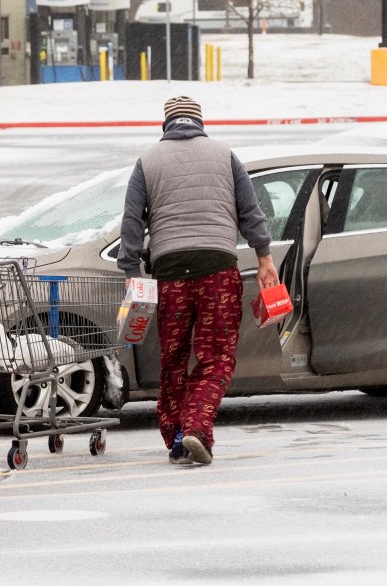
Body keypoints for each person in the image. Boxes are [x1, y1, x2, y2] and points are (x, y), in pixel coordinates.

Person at [117, 95, 279, 466]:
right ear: (200, 122)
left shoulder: (147, 161)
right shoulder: (225, 154)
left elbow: (131, 222)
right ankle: (197, 426)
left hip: (171, 272)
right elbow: (250, 212)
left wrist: (131, 272)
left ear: (167, 124)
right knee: (216, 356)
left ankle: (177, 437)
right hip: (218, 269)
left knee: (173, 359)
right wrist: (264, 257)